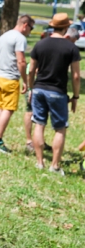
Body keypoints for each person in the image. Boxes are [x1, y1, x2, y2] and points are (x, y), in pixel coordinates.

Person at [28, 13, 81, 175]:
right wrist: (75, 97)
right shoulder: (71, 47)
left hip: (38, 89)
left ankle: (39, 162)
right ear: (66, 27)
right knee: (60, 129)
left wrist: (31, 89)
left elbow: (31, 70)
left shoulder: (40, 44)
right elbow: (76, 76)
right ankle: (55, 166)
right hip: (58, 91)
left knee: (39, 124)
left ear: (52, 26)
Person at [0, 15, 34, 154]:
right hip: (10, 78)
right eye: (31, 28)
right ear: (25, 25)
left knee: (1, 108)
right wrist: (25, 81)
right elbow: (21, 61)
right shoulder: (20, 38)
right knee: (8, 109)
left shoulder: (4, 36)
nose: (30, 32)